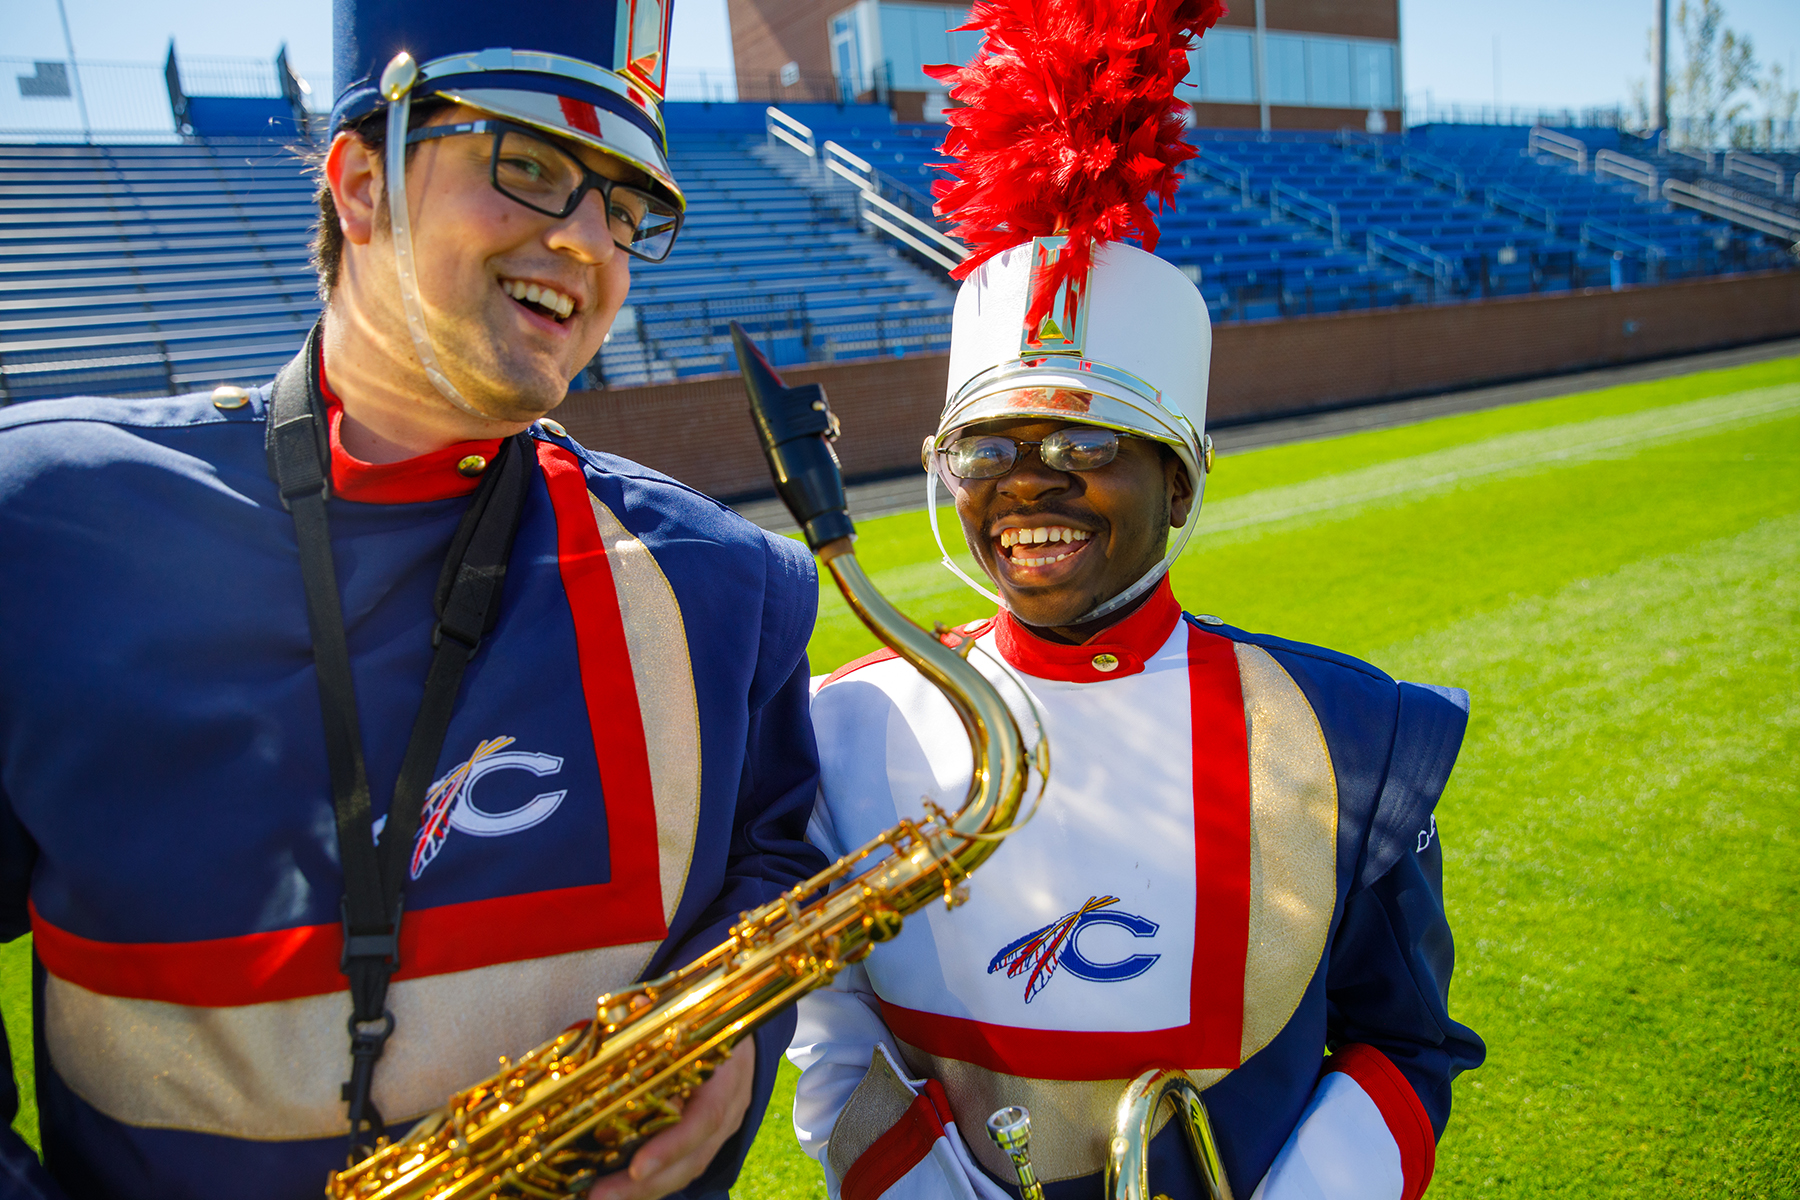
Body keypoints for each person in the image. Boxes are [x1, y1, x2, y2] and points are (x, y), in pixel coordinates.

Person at [0, 1, 826, 1197]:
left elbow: (779, 857)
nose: (591, 244)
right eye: (531, 166)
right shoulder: (45, 526)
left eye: (626, 208)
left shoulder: (726, 585)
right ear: (360, 185)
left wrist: (743, 1040)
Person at [785, 1, 1485, 1197]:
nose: (1027, 486)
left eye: (1087, 447)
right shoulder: (844, 726)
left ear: (1178, 481)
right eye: (989, 448)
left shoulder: (1343, 731)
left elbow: (1405, 1043)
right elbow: (833, 1044)